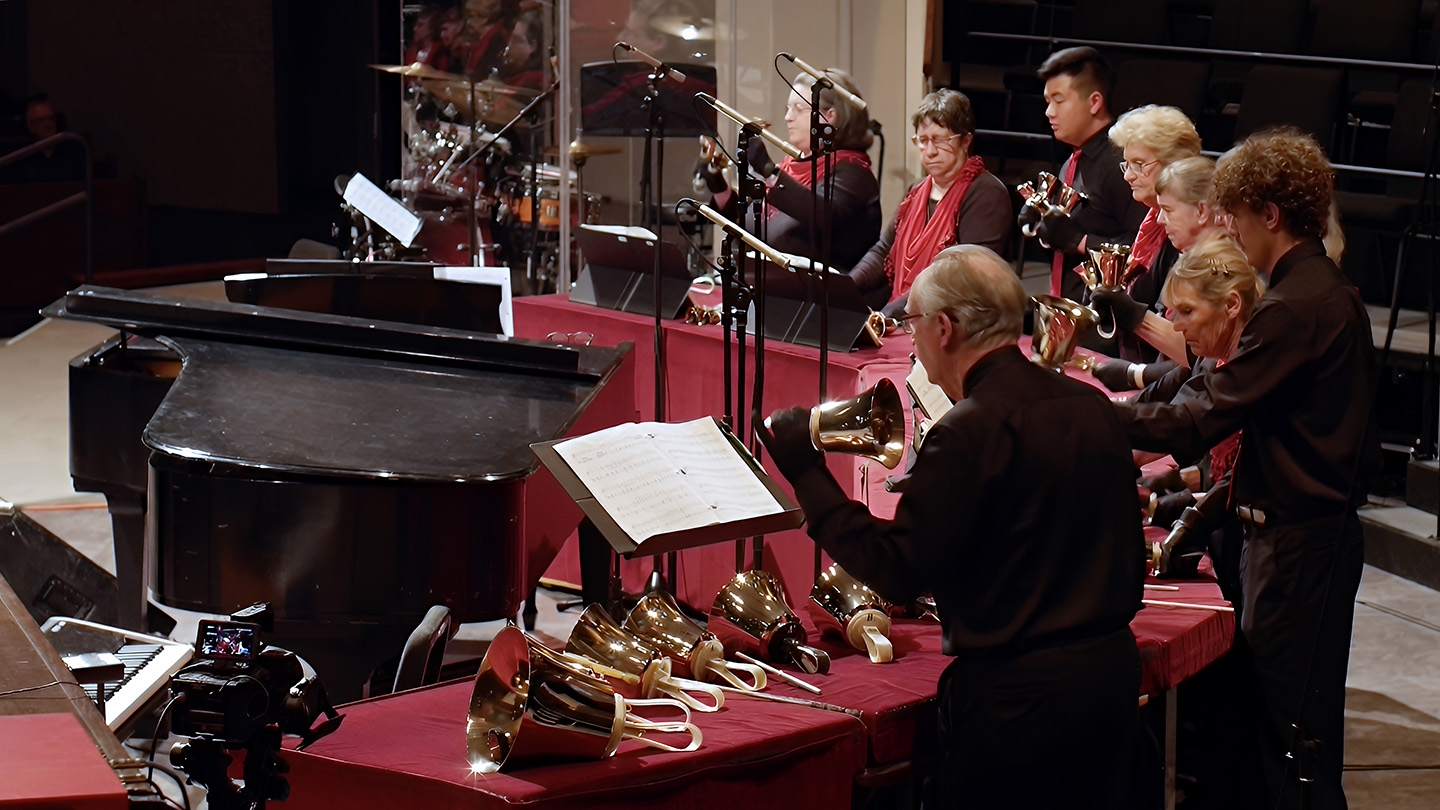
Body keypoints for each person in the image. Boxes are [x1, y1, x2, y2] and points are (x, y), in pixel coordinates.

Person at [761, 244, 1143, 809]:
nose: (909, 339)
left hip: (1020, 708)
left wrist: (806, 472)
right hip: (1110, 681)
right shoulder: (1092, 405)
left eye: (912, 323)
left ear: (944, 327)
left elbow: (899, 569)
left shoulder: (970, 430)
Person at [1119, 128, 1380, 810]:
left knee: (1291, 747)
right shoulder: (1316, 290)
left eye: (1234, 213)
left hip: (1299, 546)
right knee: (1273, 741)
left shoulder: (1296, 306)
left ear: (1270, 214)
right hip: (1296, 540)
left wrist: (1076, 415)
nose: (1224, 226)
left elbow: (1200, 415)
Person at [696, 68, 881, 274]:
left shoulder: (853, 173)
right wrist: (717, 184)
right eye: (788, 108)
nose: (787, 117)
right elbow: (750, 225)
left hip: (818, 297)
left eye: (798, 109)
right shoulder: (794, 166)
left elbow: (821, 214)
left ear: (830, 116)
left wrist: (769, 171)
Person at [847, 89, 1012, 316]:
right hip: (908, 314)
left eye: (940, 140)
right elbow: (883, 251)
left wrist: (887, 316)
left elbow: (962, 279)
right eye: (923, 141)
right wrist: (847, 287)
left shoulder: (987, 194)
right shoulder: (916, 191)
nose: (930, 151)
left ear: (966, 141)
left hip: (954, 324)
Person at [1025, 47, 1147, 302]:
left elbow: (1146, 249)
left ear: (1094, 102)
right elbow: (1062, 238)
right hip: (1070, 308)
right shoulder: (1074, 159)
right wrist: (1040, 225)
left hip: (1105, 323)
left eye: (1059, 100)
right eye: (1048, 102)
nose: (1049, 112)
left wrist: (1079, 241)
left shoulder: (1120, 163)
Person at [1, 95, 86, 184]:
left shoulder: (73, 149)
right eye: (41, 120)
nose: (47, 124)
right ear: (31, 126)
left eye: (51, 118)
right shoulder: (22, 154)